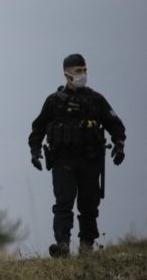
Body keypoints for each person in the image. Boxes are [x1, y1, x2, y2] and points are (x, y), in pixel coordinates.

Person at [28, 53, 126, 257]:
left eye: (85, 70)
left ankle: (86, 245)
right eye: (78, 71)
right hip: (63, 161)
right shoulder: (54, 102)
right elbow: (38, 129)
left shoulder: (95, 100)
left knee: (89, 205)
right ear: (67, 74)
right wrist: (35, 152)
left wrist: (119, 145)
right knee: (63, 203)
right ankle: (63, 244)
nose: (82, 74)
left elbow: (115, 125)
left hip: (90, 160)